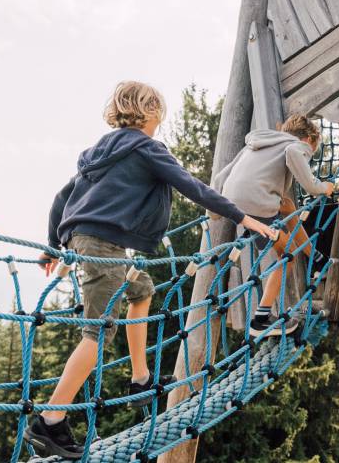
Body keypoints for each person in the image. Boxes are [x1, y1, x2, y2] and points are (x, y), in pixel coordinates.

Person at [24, 81, 275, 459]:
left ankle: (139, 378)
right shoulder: (147, 148)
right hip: (102, 245)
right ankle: (49, 421)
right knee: (97, 335)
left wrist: (53, 246)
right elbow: (191, 186)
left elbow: (62, 198)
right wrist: (243, 218)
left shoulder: (97, 151)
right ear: (152, 112)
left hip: (91, 241)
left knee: (140, 291)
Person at [213, 114, 334, 338]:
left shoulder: (256, 143)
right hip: (258, 204)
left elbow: (222, 175)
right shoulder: (296, 145)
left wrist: (214, 210)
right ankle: (261, 319)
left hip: (233, 204)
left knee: (288, 209)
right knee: (287, 256)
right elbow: (294, 155)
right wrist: (321, 187)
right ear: (309, 139)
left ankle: (316, 257)